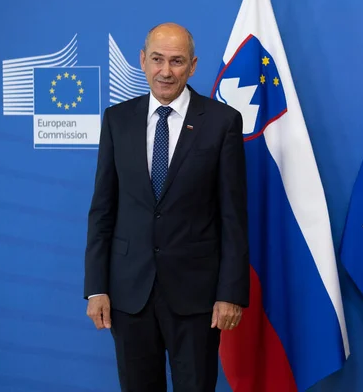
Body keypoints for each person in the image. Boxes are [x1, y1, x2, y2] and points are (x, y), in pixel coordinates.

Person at [84, 22, 249, 392]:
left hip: (197, 297)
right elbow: (102, 210)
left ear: (192, 66)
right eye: (157, 59)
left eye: (177, 61)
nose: (166, 71)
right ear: (143, 61)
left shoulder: (222, 123)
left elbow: (233, 217)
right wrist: (96, 287)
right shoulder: (117, 120)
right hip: (129, 294)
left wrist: (230, 292)